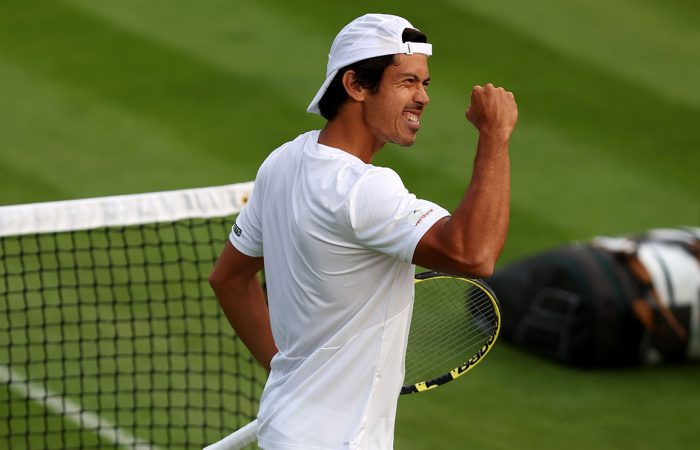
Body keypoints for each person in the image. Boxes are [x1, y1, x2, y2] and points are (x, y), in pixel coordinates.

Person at [209, 13, 517, 450]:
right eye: (408, 81)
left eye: (425, 83)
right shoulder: (363, 191)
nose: (424, 98)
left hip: (287, 425)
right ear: (355, 86)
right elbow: (474, 254)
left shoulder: (284, 161)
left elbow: (228, 278)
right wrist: (495, 135)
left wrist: (289, 373)